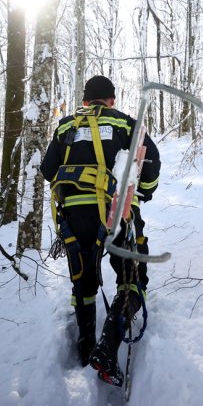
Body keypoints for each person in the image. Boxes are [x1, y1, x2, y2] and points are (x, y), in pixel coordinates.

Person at [40, 75, 161, 386]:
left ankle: (85, 349)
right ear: (112, 100)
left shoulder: (67, 126)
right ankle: (107, 349)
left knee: (84, 283)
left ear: (85, 102)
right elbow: (151, 161)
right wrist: (144, 191)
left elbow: (47, 170)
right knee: (132, 279)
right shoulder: (124, 124)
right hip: (116, 213)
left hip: (73, 217)